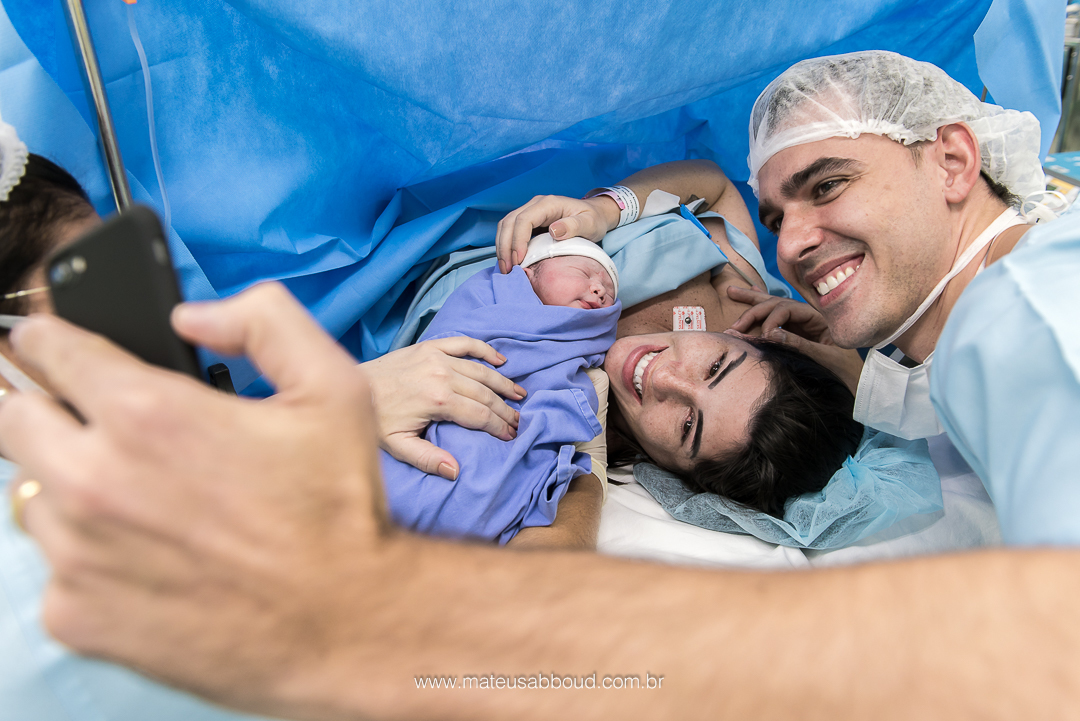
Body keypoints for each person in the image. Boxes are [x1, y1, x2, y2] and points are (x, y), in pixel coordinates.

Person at [10, 59, 1077, 719]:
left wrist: (353, 619)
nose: (669, 371)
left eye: (683, 425)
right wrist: (613, 211)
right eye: (792, 202)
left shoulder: (572, 427)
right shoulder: (792, 296)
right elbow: (715, 197)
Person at [728, 50, 1080, 544]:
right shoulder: (1002, 306)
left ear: (952, 163)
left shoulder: (1028, 311)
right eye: (776, 220)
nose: (787, 246)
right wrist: (868, 378)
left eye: (828, 185)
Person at [380, 235, 621, 544]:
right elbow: (442, 346)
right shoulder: (487, 299)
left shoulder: (585, 351)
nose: (599, 289)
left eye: (609, 291)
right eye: (583, 272)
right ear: (529, 270)